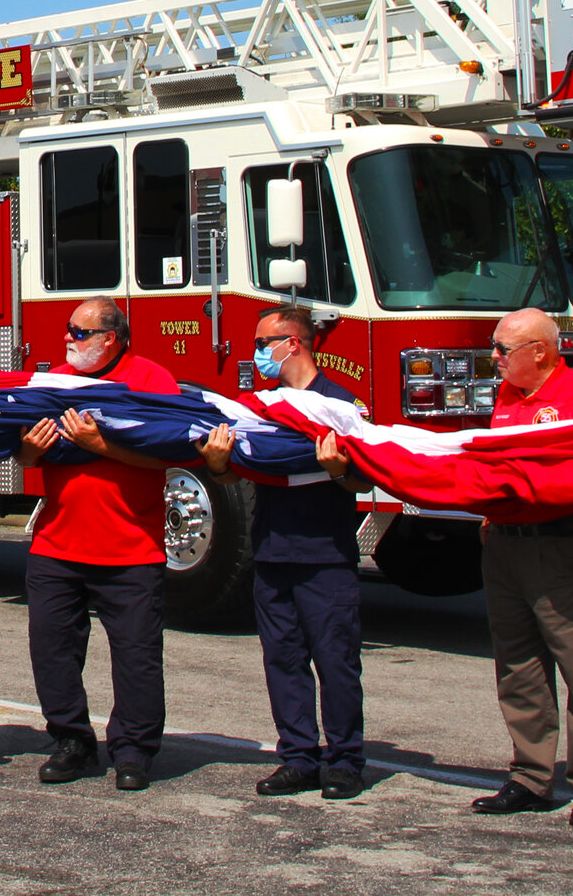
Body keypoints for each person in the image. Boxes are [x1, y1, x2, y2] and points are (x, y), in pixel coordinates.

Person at [201, 305, 368, 800]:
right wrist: (217, 465)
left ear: (293, 343)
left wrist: (339, 469)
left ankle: (344, 760)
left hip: (324, 555)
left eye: (262, 344)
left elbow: (364, 476)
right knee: (283, 660)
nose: (256, 354)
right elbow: (240, 472)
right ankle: (297, 757)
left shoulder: (338, 404)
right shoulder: (260, 406)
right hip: (272, 553)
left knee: (335, 661)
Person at [469, 307, 573, 829]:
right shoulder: (509, 398)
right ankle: (532, 776)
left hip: (567, 545)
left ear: (540, 351)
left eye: (501, 349)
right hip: (507, 544)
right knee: (518, 665)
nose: (493, 358)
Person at [17, 295, 180, 791]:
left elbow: (169, 456)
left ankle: (133, 751)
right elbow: (24, 458)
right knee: (52, 652)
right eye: (69, 330)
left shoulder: (150, 381)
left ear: (111, 337)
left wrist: (100, 446)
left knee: (136, 657)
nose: (67, 338)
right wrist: (29, 450)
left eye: (79, 331)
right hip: (57, 547)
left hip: (131, 549)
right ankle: (72, 742)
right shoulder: (54, 383)